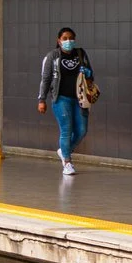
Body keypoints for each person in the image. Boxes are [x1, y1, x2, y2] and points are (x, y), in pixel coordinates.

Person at [37, 27, 95, 176]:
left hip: (80, 98)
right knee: (66, 129)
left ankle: (64, 151)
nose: (68, 41)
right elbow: (46, 79)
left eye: (71, 38)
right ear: (59, 40)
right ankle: (67, 162)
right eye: (65, 38)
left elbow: (91, 74)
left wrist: (88, 73)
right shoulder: (53, 56)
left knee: (82, 130)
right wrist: (41, 99)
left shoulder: (80, 54)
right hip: (60, 98)